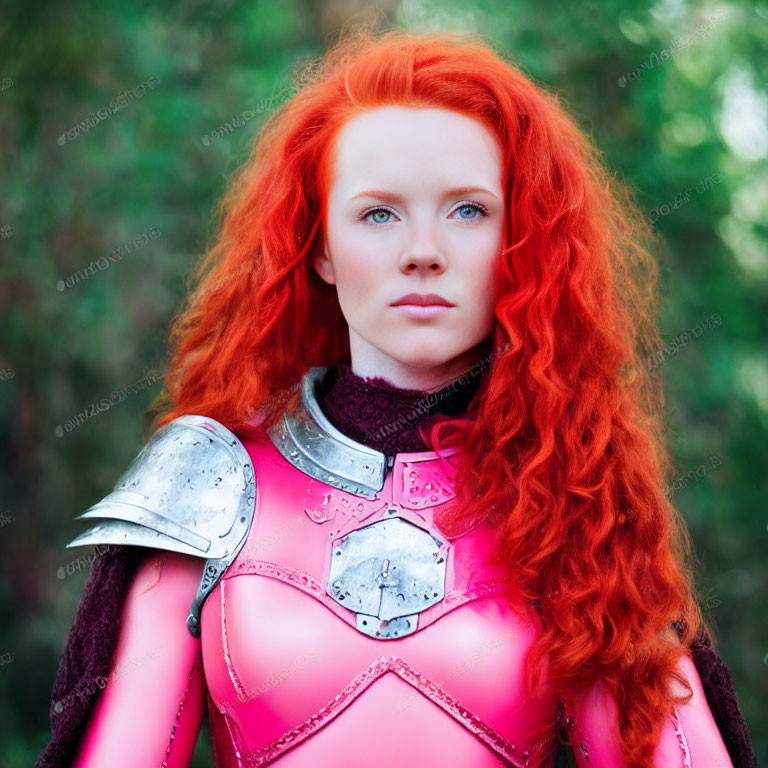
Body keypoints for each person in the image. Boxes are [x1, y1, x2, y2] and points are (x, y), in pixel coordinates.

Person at [36, 28, 756, 768]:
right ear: (318, 246)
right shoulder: (206, 481)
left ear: (523, 242)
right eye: (378, 213)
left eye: (469, 210)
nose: (423, 249)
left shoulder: (576, 494)